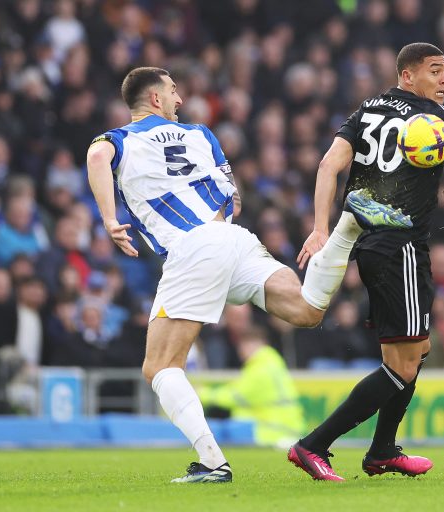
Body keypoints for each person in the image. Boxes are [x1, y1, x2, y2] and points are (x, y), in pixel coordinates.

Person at [86, 67, 409, 484]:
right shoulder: (202, 134)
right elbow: (231, 197)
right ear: (154, 100)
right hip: (232, 237)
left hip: (192, 246)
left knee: (160, 367)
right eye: (173, 91)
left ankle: (211, 463)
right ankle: (346, 226)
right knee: (307, 309)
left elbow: (96, 158)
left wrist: (110, 218)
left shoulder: (118, 139)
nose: (179, 99)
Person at [289, 42, 444, 481]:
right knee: (403, 365)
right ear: (407, 75)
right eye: (435, 71)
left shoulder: (367, 109)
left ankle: (383, 449)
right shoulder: (438, 121)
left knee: (415, 351)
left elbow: (328, 165)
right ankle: (313, 445)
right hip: (398, 245)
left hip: (375, 245)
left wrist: (320, 226)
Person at [198, 322, 305, 448]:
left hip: (273, 433)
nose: (240, 350)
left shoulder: (261, 368)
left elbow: (234, 396)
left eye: (242, 345)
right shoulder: (270, 361)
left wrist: (200, 394)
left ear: (253, 344)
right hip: (285, 429)